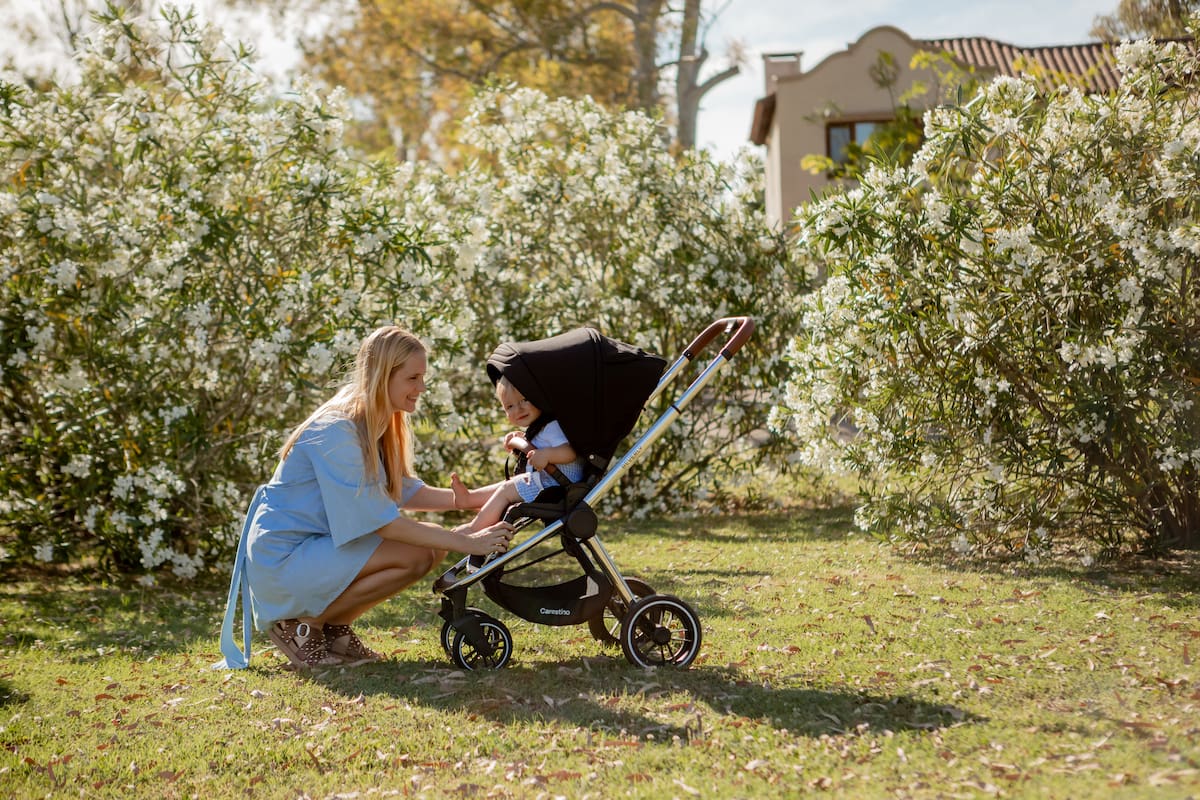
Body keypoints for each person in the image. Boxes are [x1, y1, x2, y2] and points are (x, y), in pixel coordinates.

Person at [233, 326, 514, 670]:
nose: (421, 388)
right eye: (413, 377)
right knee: (422, 549)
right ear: (384, 375)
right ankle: (300, 627)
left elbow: (402, 490)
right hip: (285, 560)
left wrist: (475, 499)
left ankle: (332, 629)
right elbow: (383, 523)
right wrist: (466, 541)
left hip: (315, 551)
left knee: (430, 548)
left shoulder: (374, 420)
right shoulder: (335, 430)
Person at [459, 376, 586, 532]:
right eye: (509, 406)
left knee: (506, 491)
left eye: (524, 400)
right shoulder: (539, 427)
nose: (518, 409)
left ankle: (473, 528)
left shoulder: (552, 426)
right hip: (550, 479)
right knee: (507, 486)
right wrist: (521, 439)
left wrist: (547, 454)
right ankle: (469, 499)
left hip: (561, 483)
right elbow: (537, 449)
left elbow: (569, 453)